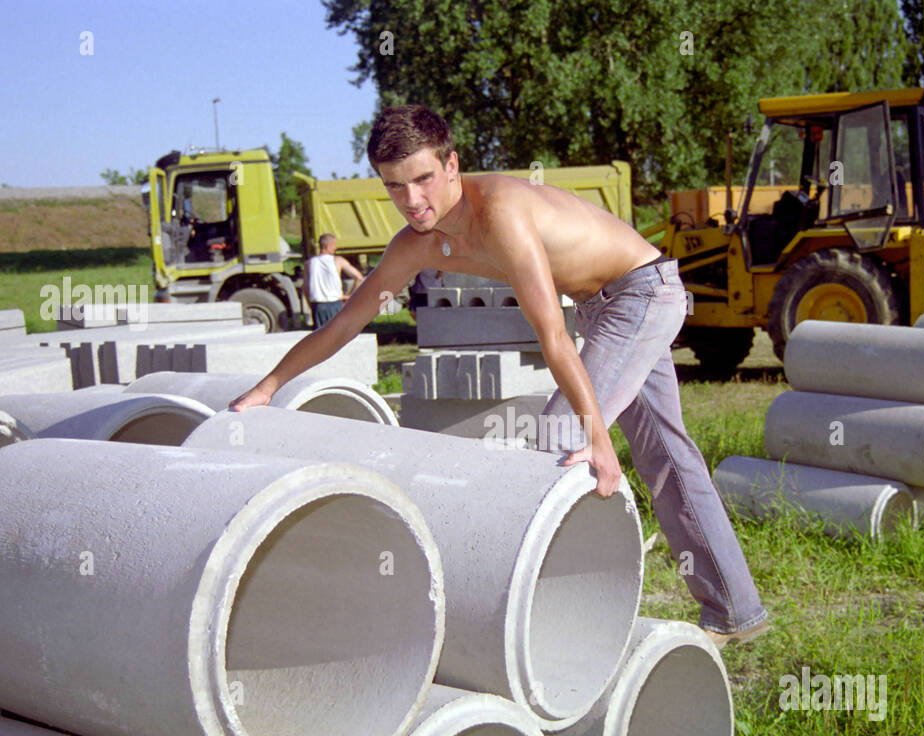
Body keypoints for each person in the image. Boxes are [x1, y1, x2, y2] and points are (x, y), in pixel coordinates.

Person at [231, 105, 770, 645]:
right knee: (666, 455)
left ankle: (560, 621)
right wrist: (267, 388)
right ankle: (735, 612)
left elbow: (553, 336)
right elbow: (344, 323)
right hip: (604, 306)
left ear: (451, 166)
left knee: (563, 434)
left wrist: (597, 436)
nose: (413, 200)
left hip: (640, 292)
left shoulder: (500, 212)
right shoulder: (414, 245)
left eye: (423, 179)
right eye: (395, 187)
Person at [306, 233, 366, 330]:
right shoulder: (338, 261)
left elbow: (306, 287)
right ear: (327, 246)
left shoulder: (309, 263)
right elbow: (358, 277)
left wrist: (311, 304)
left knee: (320, 337)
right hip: (335, 304)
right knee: (337, 336)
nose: (335, 247)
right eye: (334, 245)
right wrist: (350, 295)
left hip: (318, 305)